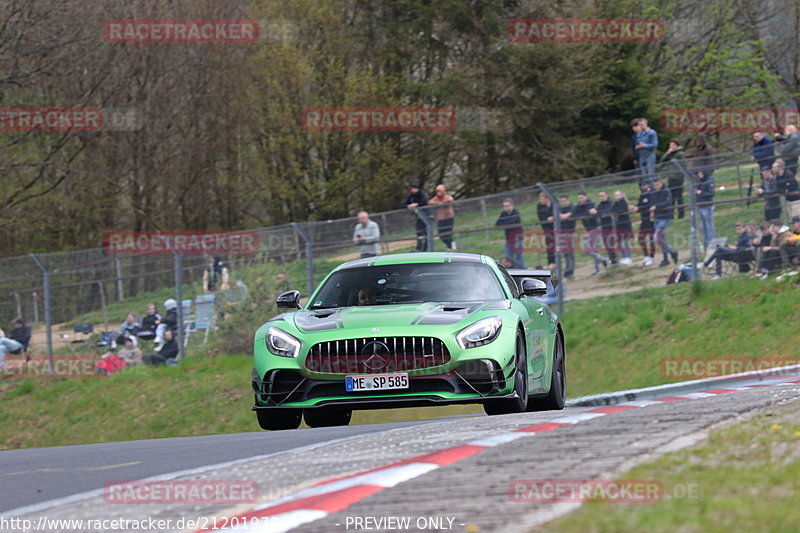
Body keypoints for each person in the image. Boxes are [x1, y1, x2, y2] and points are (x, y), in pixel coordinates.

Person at [573, 192, 607, 275]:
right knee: (594, 249)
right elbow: (575, 214)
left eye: (581, 197)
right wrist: (582, 214)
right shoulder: (579, 205)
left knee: (587, 249)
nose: (580, 199)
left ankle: (601, 261)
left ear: (585, 197)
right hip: (588, 229)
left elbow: (587, 213)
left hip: (595, 228)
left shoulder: (590, 203)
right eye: (579, 198)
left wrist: (583, 214)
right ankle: (599, 265)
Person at [650, 178, 679, 266]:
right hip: (657, 217)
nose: (656, 186)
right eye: (654, 185)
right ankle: (666, 258)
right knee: (661, 238)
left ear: (661, 183)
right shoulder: (654, 192)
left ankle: (672, 252)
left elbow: (668, 203)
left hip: (665, 217)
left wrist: (656, 206)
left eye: (657, 184)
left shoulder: (666, 191)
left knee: (657, 237)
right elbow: (652, 203)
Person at [659, 139, 687, 218]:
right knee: (671, 197)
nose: (671, 147)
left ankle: (681, 215)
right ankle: (670, 215)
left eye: (673, 145)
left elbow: (683, 163)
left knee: (679, 197)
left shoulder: (679, 154)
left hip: (678, 178)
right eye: (670, 146)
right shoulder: (670, 154)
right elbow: (662, 162)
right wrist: (667, 154)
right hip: (671, 177)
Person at [630, 181, 656, 266]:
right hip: (644, 220)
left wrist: (639, 207)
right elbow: (640, 205)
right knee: (641, 238)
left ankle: (652, 256)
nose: (642, 187)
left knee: (652, 239)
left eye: (644, 185)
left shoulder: (653, 193)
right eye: (641, 186)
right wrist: (635, 208)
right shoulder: (642, 195)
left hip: (652, 220)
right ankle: (646, 255)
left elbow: (649, 205)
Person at [495, 198, 525, 268]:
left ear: (512, 205)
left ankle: (523, 269)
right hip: (509, 238)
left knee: (519, 256)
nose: (506, 207)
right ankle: (518, 269)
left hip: (518, 238)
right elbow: (498, 223)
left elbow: (511, 223)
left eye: (508, 205)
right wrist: (506, 224)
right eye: (504, 206)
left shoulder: (516, 213)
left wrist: (505, 224)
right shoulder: (503, 213)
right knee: (508, 256)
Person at [591, 191, 617, 265]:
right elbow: (598, 213)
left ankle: (615, 258)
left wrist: (597, 213)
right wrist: (594, 212)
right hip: (604, 226)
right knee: (607, 243)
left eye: (602, 195)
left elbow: (607, 212)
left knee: (611, 242)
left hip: (612, 226)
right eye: (600, 196)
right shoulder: (600, 205)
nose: (601, 197)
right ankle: (612, 258)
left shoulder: (611, 203)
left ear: (606, 195)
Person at [428, 184, 456, 250]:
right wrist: (438, 203)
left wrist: (442, 203)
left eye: (440, 191)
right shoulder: (436, 198)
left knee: (448, 232)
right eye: (437, 191)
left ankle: (450, 247)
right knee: (441, 233)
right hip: (441, 218)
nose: (438, 193)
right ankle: (450, 244)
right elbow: (430, 202)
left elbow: (451, 199)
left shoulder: (446, 197)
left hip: (449, 217)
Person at [404, 182, 430, 252]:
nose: (413, 190)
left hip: (425, 217)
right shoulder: (411, 196)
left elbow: (424, 202)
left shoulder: (422, 194)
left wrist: (417, 204)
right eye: (412, 188)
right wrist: (408, 206)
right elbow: (405, 204)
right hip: (418, 217)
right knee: (419, 233)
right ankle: (419, 248)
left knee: (427, 233)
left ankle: (426, 248)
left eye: (414, 188)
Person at [695, 167, 716, 249]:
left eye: (700, 173)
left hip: (707, 205)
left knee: (709, 224)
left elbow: (711, 193)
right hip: (700, 205)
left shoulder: (709, 180)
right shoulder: (700, 181)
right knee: (703, 225)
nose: (699, 175)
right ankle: (706, 242)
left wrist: (700, 193)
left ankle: (712, 241)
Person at [612, 190, 633, 265]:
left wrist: (617, 211)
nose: (617, 197)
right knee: (619, 242)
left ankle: (628, 257)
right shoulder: (616, 203)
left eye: (618, 195)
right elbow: (613, 210)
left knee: (626, 241)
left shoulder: (624, 202)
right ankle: (625, 257)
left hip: (625, 224)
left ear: (621, 195)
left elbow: (621, 210)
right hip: (619, 225)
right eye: (615, 195)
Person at [634, 118, 658, 183]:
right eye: (640, 125)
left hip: (649, 155)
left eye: (642, 125)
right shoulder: (639, 134)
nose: (641, 126)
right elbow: (638, 143)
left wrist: (644, 145)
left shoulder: (652, 133)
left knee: (650, 174)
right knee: (644, 176)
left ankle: (653, 188)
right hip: (642, 156)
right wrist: (638, 147)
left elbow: (655, 144)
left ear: (646, 124)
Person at [558, 195, 576, 278]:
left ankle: (570, 270)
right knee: (565, 253)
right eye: (561, 201)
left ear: (568, 200)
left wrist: (564, 215)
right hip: (562, 232)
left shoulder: (572, 207)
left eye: (564, 201)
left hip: (570, 232)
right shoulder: (561, 209)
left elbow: (565, 216)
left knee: (569, 252)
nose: (563, 203)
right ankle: (567, 269)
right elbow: (559, 216)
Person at [536, 192, 556, 268]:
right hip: (547, 229)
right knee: (550, 246)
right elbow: (541, 216)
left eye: (542, 198)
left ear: (547, 198)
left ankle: (557, 264)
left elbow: (558, 213)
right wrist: (548, 219)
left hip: (556, 229)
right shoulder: (540, 206)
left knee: (558, 247)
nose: (540, 200)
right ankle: (551, 263)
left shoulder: (554, 204)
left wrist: (553, 217)